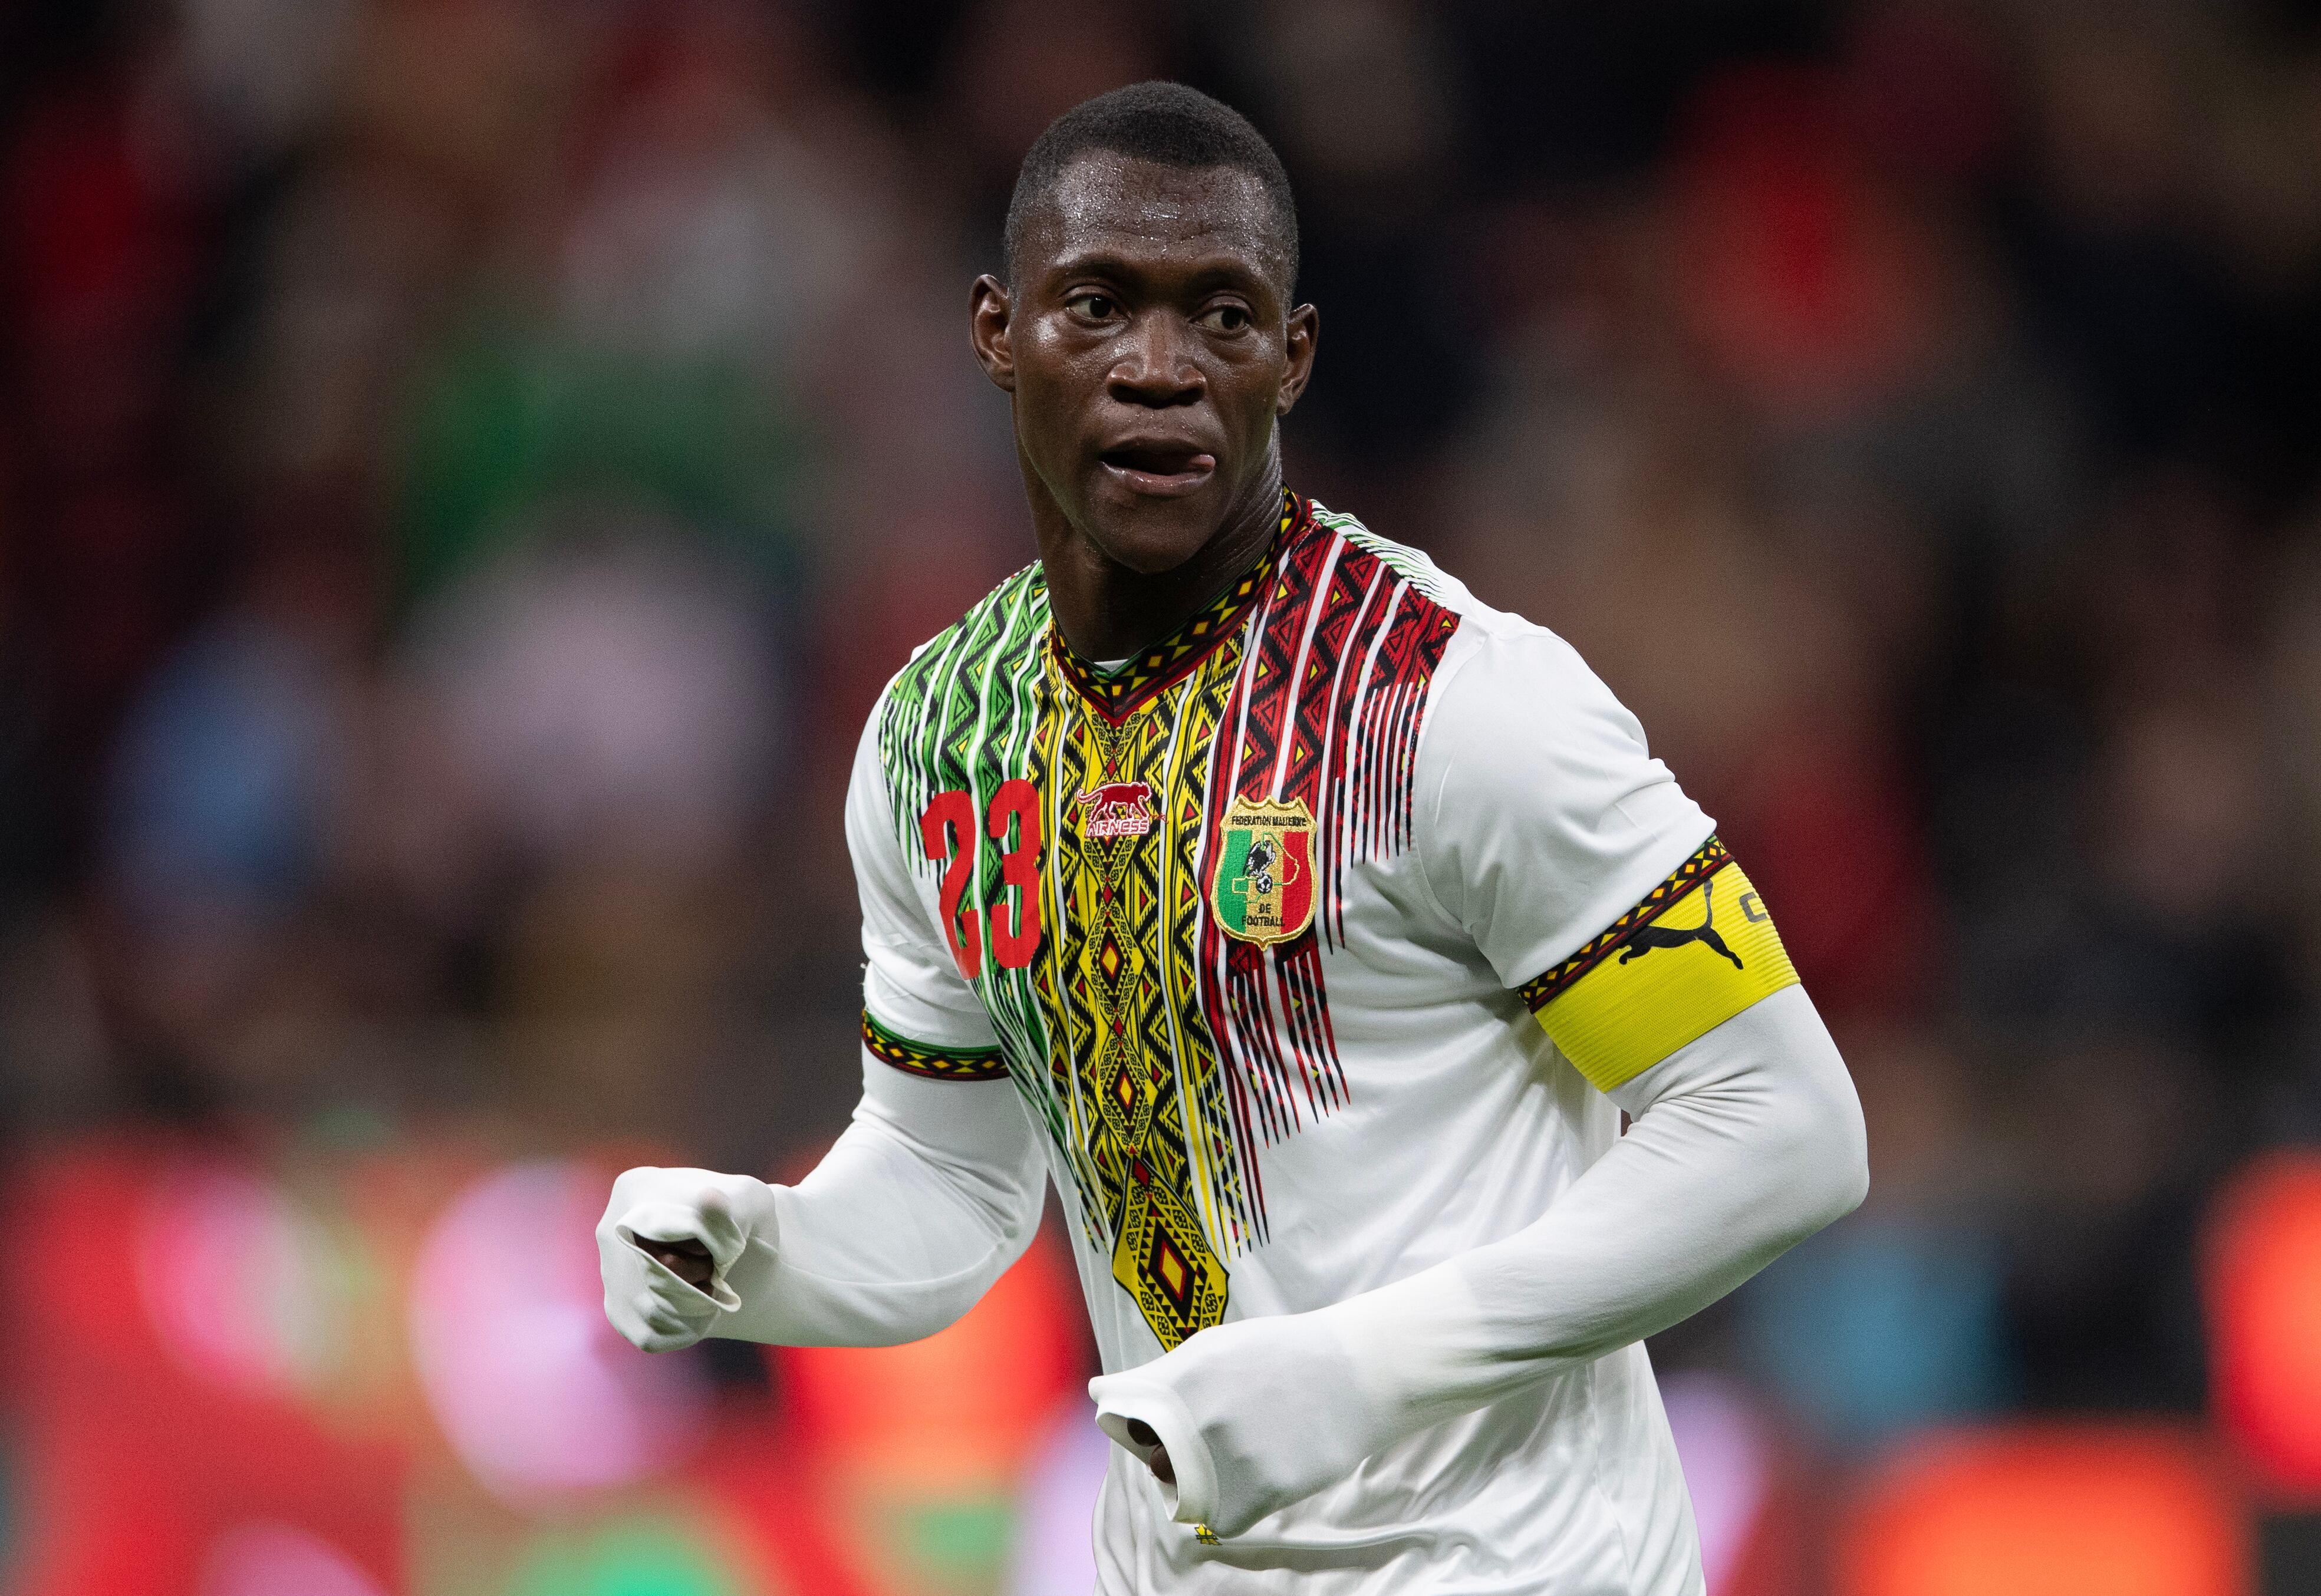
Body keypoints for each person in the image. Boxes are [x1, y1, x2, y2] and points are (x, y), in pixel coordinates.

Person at [598, 81, 1868, 1595]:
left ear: (1293, 356)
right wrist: (761, 1253)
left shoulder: (1448, 701)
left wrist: (1357, 1372)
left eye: (1220, 315)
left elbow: (1780, 1126)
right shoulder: (940, 737)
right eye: (1097, 307)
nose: (1159, 369)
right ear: (997, 333)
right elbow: (952, 1182)